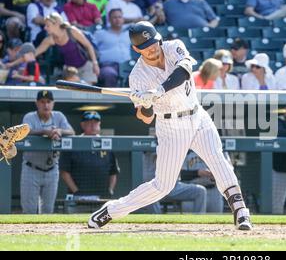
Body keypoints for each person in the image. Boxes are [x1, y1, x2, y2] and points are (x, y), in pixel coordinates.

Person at [88, 21, 252, 231]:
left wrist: (159, 90)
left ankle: (241, 213)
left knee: (218, 160)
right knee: (162, 186)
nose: (153, 48)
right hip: (170, 126)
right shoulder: (137, 77)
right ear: (136, 49)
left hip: (197, 116)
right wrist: (146, 103)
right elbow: (145, 118)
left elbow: (184, 70)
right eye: (146, 46)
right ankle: (111, 210)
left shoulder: (173, 46)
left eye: (154, 42)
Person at [21, 90, 75, 214]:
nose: (46, 105)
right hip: (31, 168)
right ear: (37, 103)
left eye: (48, 102)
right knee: (29, 210)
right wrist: (45, 132)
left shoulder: (59, 116)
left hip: (52, 169)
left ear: (53, 103)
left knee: (48, 210)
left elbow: (71, 131)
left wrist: (59, 131)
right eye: (42, 102)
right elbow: (24, 132)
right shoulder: (29, 117)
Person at [60, 111, 119, 204]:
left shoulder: (106, 144)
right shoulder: (74, 143)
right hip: (79, 197)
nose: (93, 125)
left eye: (95, 122)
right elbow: (64, 172)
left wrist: (110, 190)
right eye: (89, 123)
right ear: (82, 125)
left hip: (102, 197)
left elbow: (113, 172)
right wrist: (76, 191)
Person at [35, 12, 100, 84]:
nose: (45, 28)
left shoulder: (72, 31)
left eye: (47, 25)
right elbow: (35, 53)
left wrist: (95, 63)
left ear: (56, 24)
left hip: (85, 66)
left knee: (87, 91)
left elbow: (88, 46)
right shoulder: (50, 39)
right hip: (70, 71)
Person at [143, 151, 207, 214]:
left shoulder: (177, 146)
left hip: (175, 187)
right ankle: (157, 221)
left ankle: (197, 222)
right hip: (156, 186)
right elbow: (143, 148)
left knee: (200, 191)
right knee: (149, 193)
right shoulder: (152, 145)